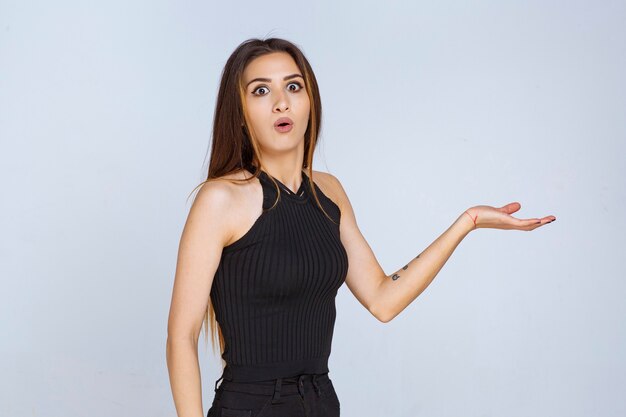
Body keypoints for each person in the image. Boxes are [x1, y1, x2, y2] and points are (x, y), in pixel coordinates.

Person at [165, 37, 556, 417]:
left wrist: (467, 222)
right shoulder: (220, 200)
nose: (281, 102)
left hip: (320, 402)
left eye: (293, 86)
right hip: (249, 405)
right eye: (261, 91)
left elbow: (383, 299)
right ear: (241, 109)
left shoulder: (329, 192)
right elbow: (181, 337)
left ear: (310, 100)